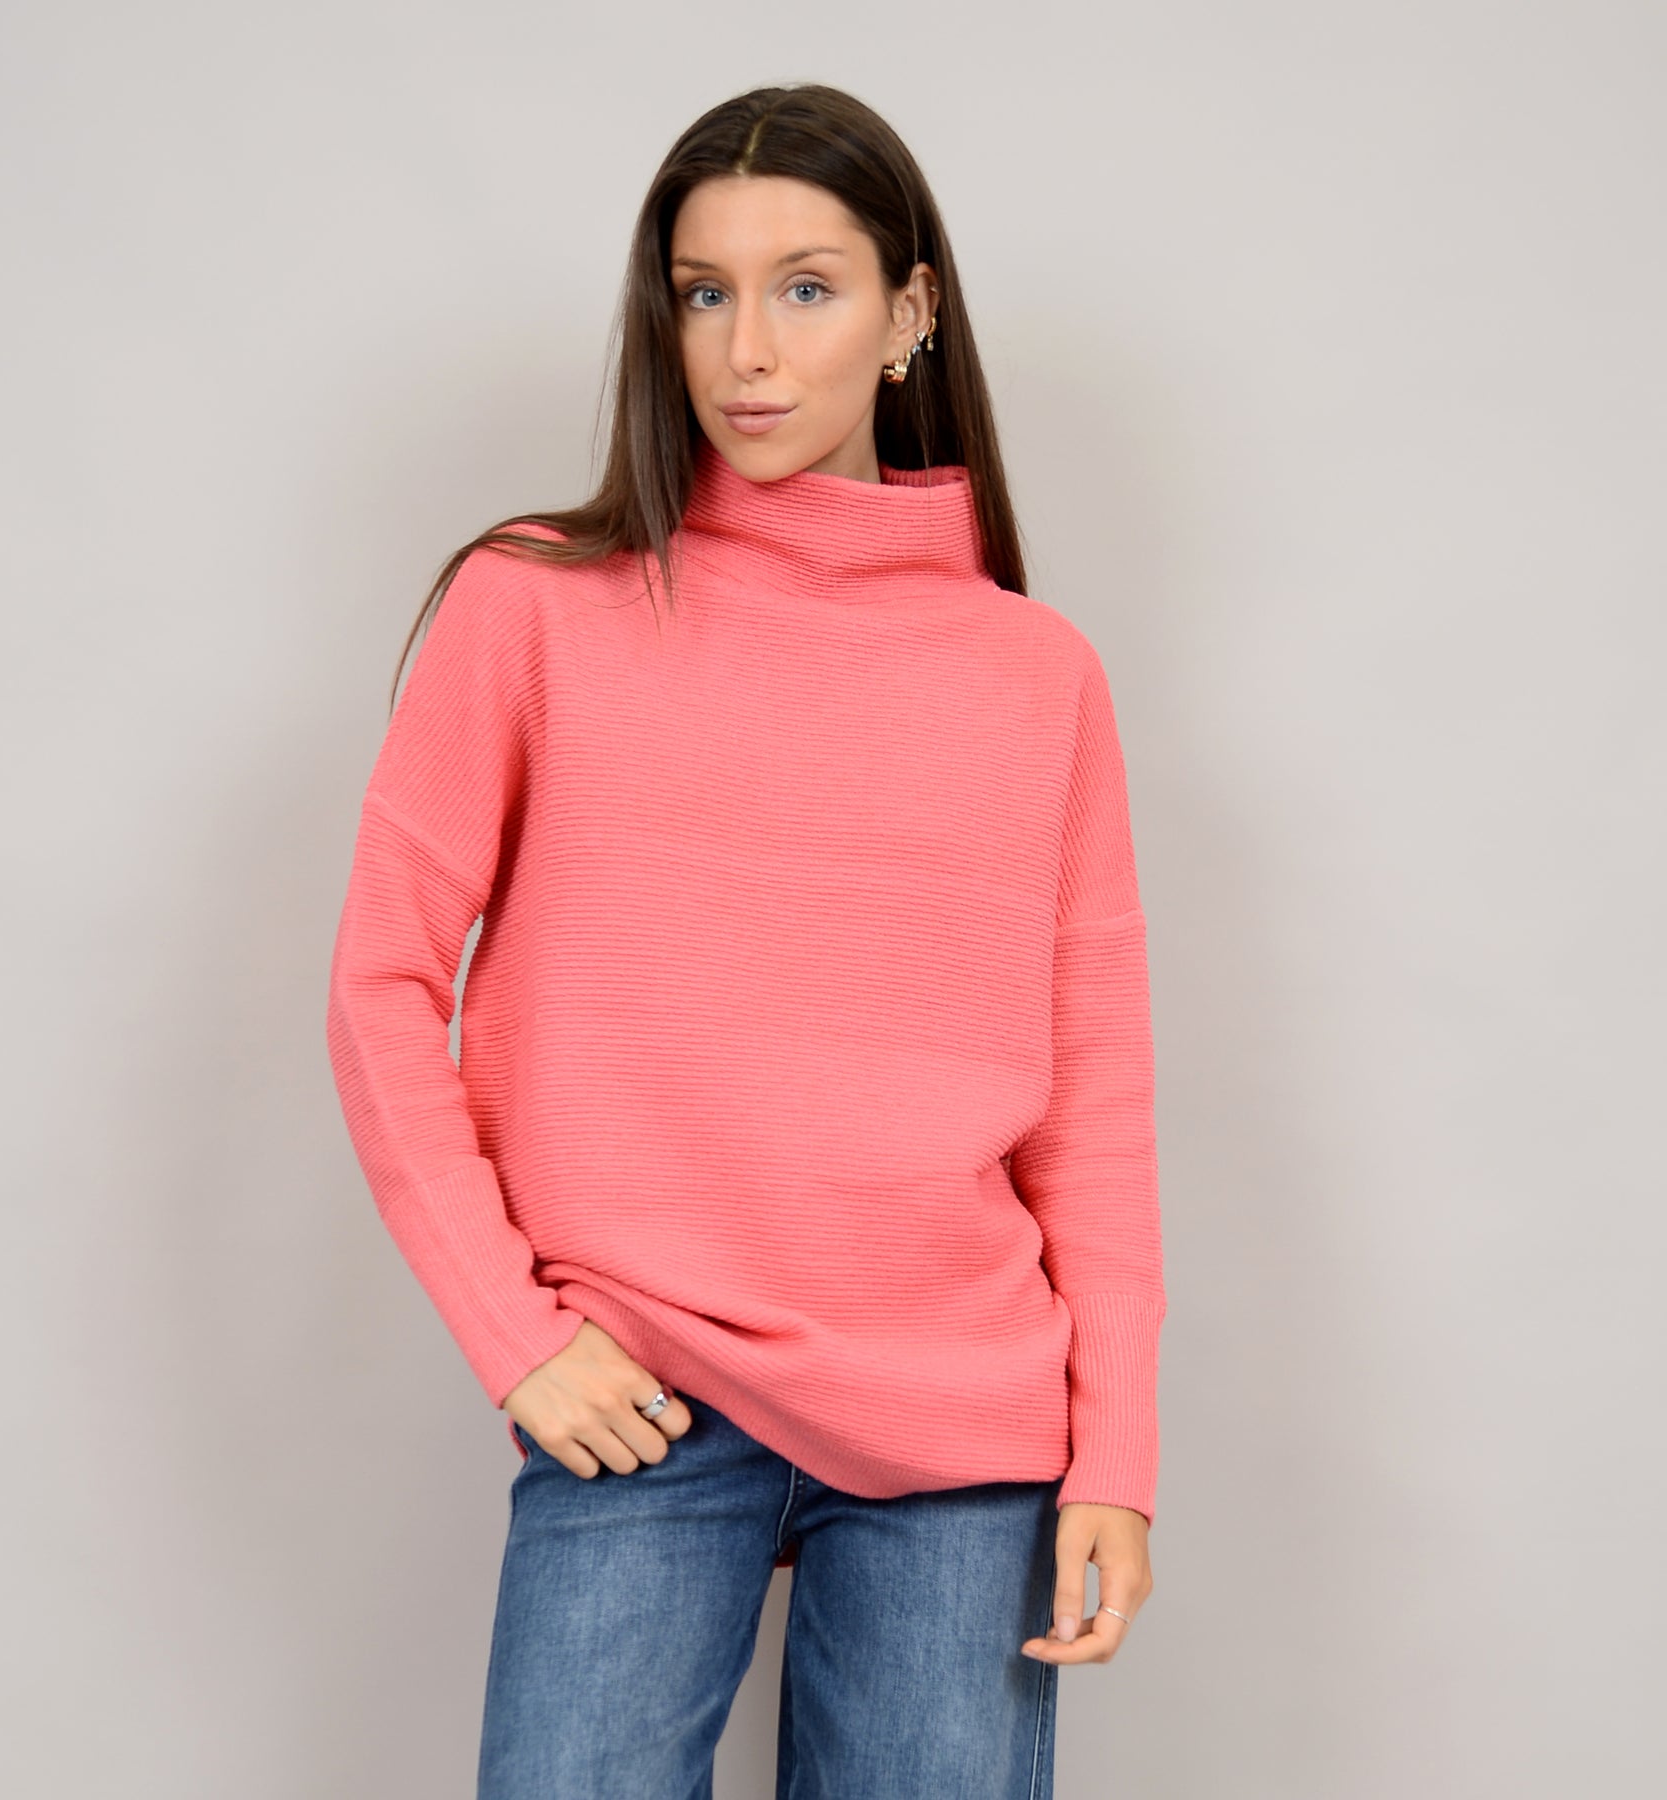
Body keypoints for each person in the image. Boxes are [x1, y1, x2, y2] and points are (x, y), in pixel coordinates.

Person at [326, 81, 1166, 1800]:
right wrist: (513, 1331)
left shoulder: (1036, 677)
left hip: (959, 1423)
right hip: (640, 1389)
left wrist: (1118, 1455)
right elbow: (380, 984)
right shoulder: (535, 602)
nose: (748, 351)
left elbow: (1091, 1103)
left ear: (910, 312)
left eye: (807, 287)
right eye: (704, 293)